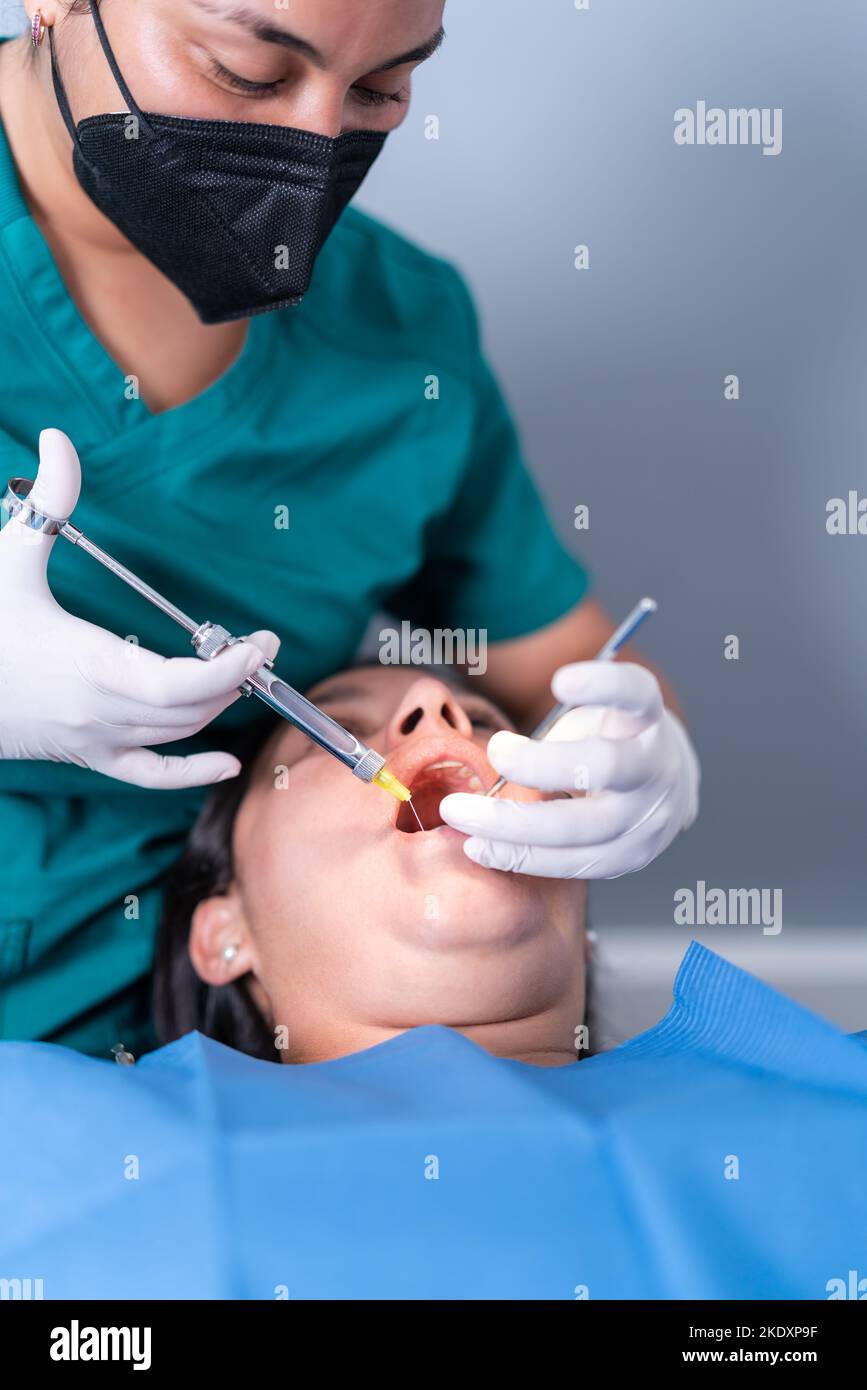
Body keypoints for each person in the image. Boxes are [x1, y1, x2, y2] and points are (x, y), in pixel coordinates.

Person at [0, 0, 698, 1057]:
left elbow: (562, 664)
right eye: (248, 70)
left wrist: (647, 755)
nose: (317, 142)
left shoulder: (402, 338)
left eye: (383, 87)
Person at [154, 664, 594, 1066]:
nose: (431, 701)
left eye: (481, 723)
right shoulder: (111, 1132)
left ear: (586, 941)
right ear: (224, 936)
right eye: (333, 731)